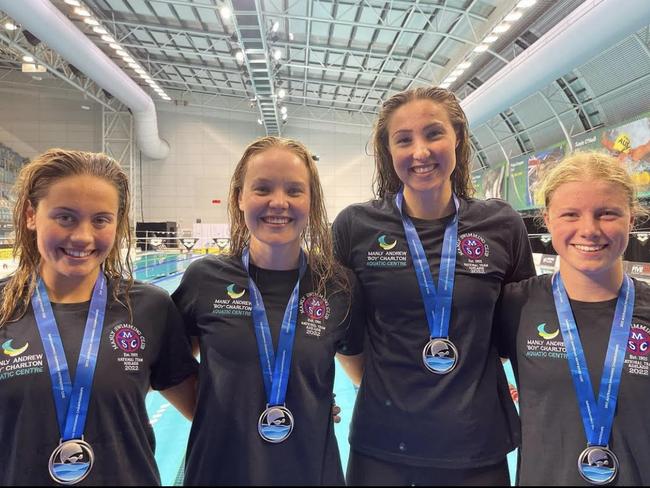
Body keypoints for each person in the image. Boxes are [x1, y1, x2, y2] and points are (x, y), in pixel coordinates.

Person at [332, 86, 536, 485]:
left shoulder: (501, 223)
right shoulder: (355, 226)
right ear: (388, 152)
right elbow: (345, 336)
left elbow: (520, 330)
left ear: (457, 137)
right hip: (384, 445)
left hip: (476, 443)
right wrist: (393, 391)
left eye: (433, 133)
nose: (420, 151)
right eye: (403, 140)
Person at [172, 136, 364, 485]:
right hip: (220, 471)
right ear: (239, 198)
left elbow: (359, 372)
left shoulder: (337, 284)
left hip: (310, 471)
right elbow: (171, 370)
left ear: (311, 201)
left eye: (294, 190)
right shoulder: (204, 280)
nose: (279, 203)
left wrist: (313, 402)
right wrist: (225, 413)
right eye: (262, 189)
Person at [0, 148, 198, 485]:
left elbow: (210, 411)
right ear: (31, 215)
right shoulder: (5, 307)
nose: (82, 236)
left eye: (100, 219)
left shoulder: (149, 308)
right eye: (65, 217)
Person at [497, 151, 650, 486]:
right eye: (570, 214)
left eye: (607, 213)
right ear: (548, 220)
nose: (589, 229)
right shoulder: (514, 306)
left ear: (631, 217)